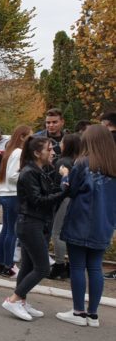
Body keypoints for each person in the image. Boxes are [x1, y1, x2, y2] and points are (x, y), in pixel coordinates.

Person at [56, 125, 116, 326]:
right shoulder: (113, 166)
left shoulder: (82, 163)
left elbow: (71, 190)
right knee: (95, 267)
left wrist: (65, 175)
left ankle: (78, 311)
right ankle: (93, 314)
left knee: (78, 266)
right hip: (104, 223)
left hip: (80, 220)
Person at [1, 136, 66, 321]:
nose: (53, 152)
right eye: (49, 149)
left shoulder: (39, 170)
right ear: (37, 153)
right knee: (43, 268)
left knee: (28, 266)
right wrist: (64, 193)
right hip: (30, 223)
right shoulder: (29, 172)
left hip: (34, 223)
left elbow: (48, 193)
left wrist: (62, 183)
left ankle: (21, 300)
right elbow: (38, 201)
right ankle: (13, 300)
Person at [0, 125, 32, 277]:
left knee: (6, 230)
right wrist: (28, 176)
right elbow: (13, 175)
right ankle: (8, 266)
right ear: (22, 137)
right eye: (30, 135)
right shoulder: (19, 152)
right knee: (11, 232)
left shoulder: (11, 151)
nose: (32, 139)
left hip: (5, 193)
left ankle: (1, 264)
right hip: (12, 194)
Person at [48, 133, 81, 280]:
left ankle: (59, 265)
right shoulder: (77, 161)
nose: (59, 144)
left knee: (57, 232)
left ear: (67, 145)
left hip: (63, 200)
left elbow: (60, 185)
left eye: (62, 142)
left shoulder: (62, 162)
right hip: (74, 201)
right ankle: (70, 265)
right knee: (68, 234)